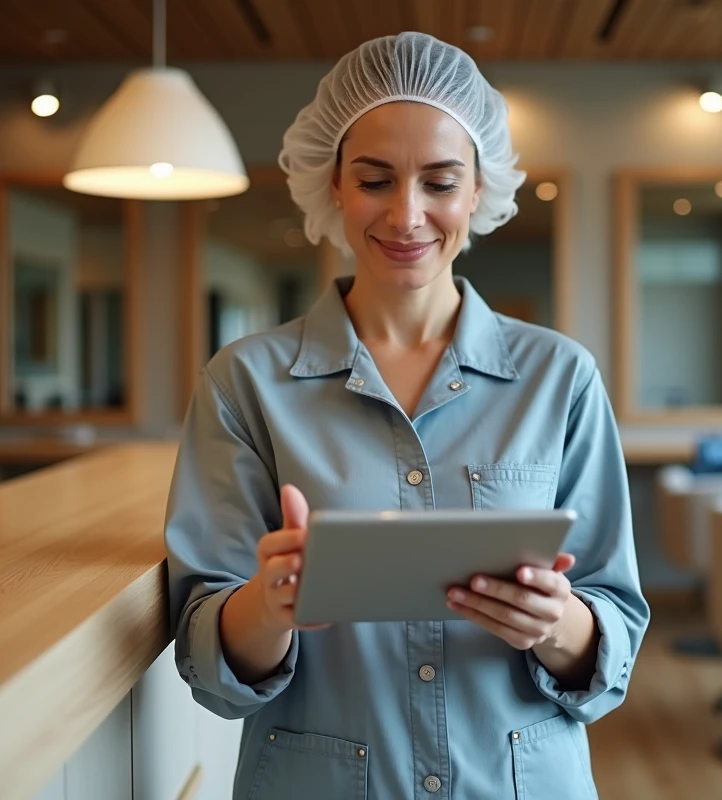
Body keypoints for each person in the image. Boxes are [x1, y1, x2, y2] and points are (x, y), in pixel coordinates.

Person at [165, 31, 649, 800]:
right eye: (376, 180)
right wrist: (270, 605)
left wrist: (559, 625)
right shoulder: (243, 383)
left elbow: (613, 617)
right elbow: (206, 651)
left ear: (478, 191)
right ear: (333, 186)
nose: (408, 213)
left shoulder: (561, 378)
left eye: (440, 182)